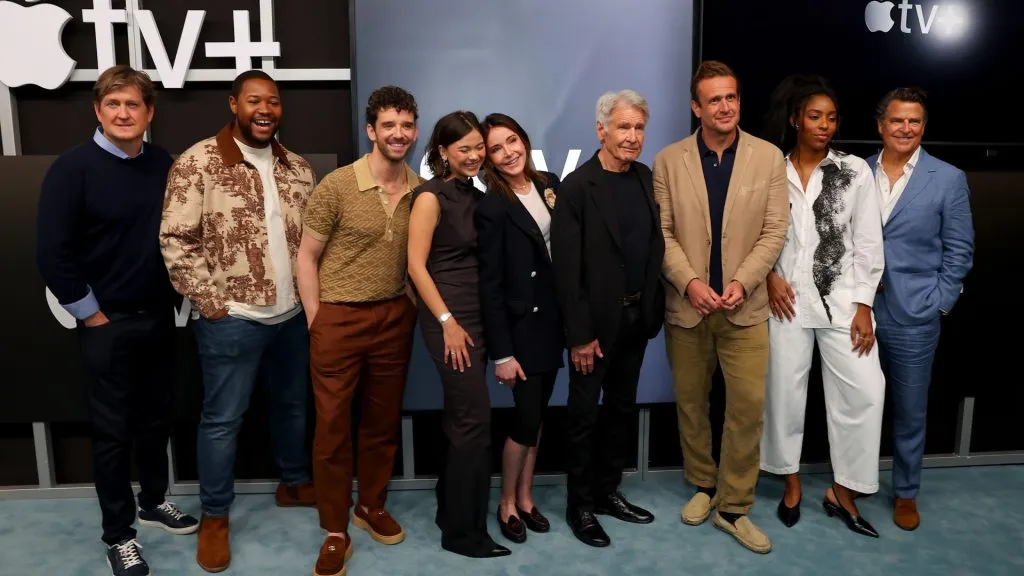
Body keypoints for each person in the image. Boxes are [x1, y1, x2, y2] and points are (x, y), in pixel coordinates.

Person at [36, 64, 198, 576]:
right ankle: (118, 534)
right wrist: (93, 315)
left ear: (149, 113)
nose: (124, 113)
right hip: (106, 324)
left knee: (156, 421)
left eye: (133, 104)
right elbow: (52, 252)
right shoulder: (72, 168)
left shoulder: (163, 163)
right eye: (113, 104)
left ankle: (153, 502)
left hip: (158, 318)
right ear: (98, 111)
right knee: (112, 434)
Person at [160, 70, 317, 573]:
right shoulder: (199, 161)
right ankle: (215, 517)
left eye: (273, 101)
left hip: (292, 317)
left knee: (293, 406)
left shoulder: (298, 168)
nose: (265, 109)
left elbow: (313, 247)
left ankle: (293, 483)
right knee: (223, 420)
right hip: (232, 319)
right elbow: (176, 239)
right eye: (254, 100)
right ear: (234, 104)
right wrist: (210, 303)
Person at [652, 60, 787, 554]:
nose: (725, 107)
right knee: (691, 405)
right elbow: (662, 232)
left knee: (747, 409)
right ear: (696, 107)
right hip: (687, 309)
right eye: (714, 99)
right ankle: (704, 486)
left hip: (744, 309)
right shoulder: (668, 161)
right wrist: (688, 282)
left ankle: (734, 506)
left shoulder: (769, 157)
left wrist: (742, 281)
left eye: (731, 97)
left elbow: (774, 230)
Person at [296, 86, 422, 576]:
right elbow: (306, 256)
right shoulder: (337, 185)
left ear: (415, 131)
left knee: (382, 421)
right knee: (331, 429)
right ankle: (334, 529)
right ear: (371, 131)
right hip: (337, 318)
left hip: (394, 318)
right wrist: (316, 317)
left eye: (406, 125)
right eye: (388, 125)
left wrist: (407, 307)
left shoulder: (418, 188)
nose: (398, 133)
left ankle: (370, 505)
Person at [759, 74, 886, 538]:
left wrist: (864, 305)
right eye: (815, 116)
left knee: (867, 392)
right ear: (795, 119)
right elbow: (757, 230)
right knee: (784, 394)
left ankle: (843, 491)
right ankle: (790, 482)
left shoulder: (854, 171)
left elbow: (868, 243)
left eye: (831, 118)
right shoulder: (771, 168)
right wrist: (768, 274)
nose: (824, 125)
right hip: (786, 300)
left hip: (843, 301)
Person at [552, 90, 665, 548]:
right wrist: (579, 337)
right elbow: (566, 270)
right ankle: (579, 505)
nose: (633, 137)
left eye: (639, 128)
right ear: (601, 130)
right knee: (583, 418)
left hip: (637, 320)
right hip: (593, 330)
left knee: (620, 410)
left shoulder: (644, 177)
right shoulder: (577, 187)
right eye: (624, 127)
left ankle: (607, 492)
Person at [867, 87, 974, 531]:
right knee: (858, 403)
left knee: (910, 410)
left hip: (916, 317)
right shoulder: (857, 172)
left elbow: (960, 250)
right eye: (897, 121)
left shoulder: (948, 178)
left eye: (914, 122)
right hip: (858, 311)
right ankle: (852, 483)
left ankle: (906, 492)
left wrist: (940, 303)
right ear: (881, 125)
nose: (905, 129)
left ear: (923, 127)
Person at [407, 111, 510, 559]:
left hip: (476, 315)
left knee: (462, 418)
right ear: (443, 152)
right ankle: (464, 534)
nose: (473, 156)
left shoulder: (474, 192)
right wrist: (447, 323)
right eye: (463, 148)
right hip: (450, 319)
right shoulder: (430, 197)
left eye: (478, 147)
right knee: (474, 422)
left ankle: (450, 510)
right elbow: (414, 267)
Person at [475, 113, 563, 544]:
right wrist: (502, 352)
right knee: (524, 419)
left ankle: (527, 498)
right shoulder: (492, 205)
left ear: (524, 141)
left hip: (553, 322)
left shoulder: (549, 184)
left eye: (513, 141)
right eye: (497, 148)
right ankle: (506, 501)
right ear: (488, 158)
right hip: (520, 329)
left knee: (539, 415)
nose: (509, 152)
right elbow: (489, 286)